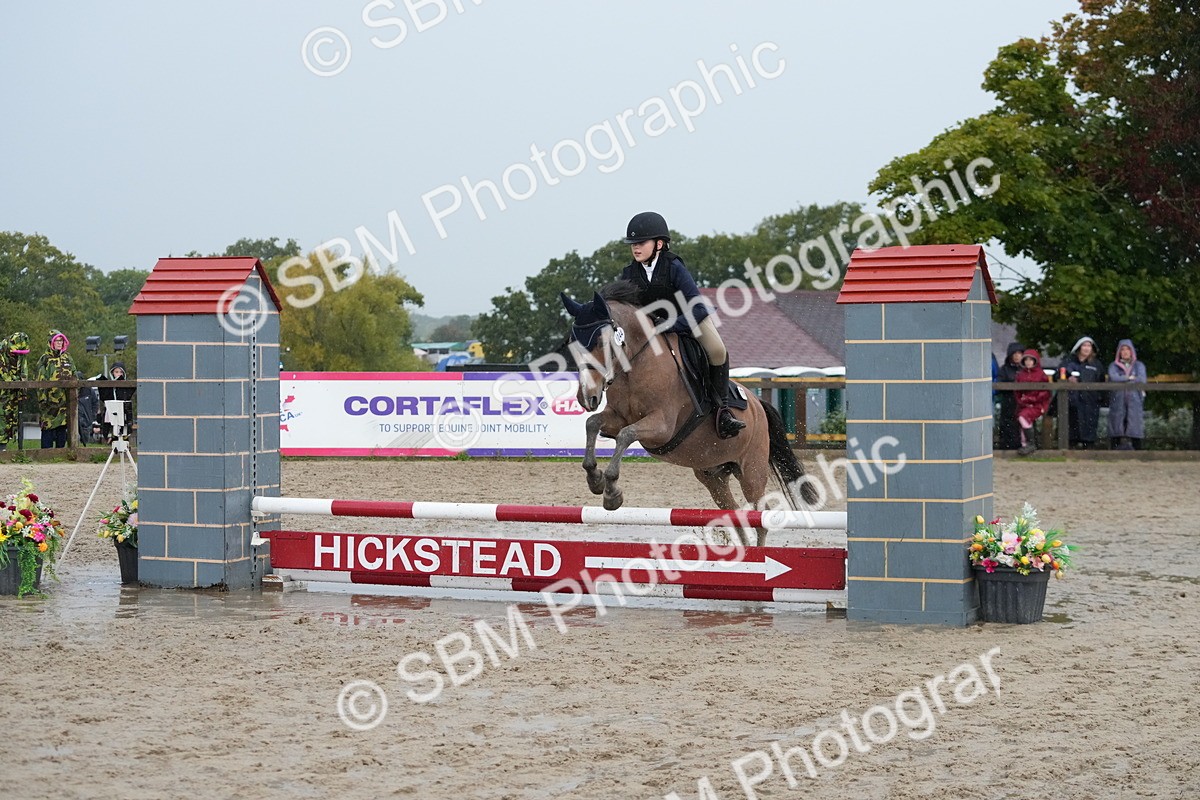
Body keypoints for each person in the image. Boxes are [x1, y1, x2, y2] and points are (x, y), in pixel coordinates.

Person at [618, 211, 745, 438]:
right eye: (632, 244)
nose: (635, 247)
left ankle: (722, 411)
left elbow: (696, 306)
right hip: (653, 328)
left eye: (640, 243)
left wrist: (671, 325)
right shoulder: (629, 273)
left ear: (659, 244)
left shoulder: (673, 266)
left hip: (689, 319)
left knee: (717, 350)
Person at [1061, 336, 1104, 449]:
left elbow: (1101, 382)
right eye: (1084, 345)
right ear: (1079, 347)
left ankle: (1088, 450)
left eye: (1089, 346)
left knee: (1089, 428)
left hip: (1090, 402)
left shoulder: (1096, 365)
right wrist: (1068, 378)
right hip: (1072, 401)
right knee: (1072, 428)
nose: (1086, 348)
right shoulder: (1068, 361)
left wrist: (1098, 398)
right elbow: (1058, 374)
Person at [35, 329, 75, 448]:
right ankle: (46, 456)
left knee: (62, 429)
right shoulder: (45, 359)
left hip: (65, 403)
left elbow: (74, 376)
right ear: (51, 342)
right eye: (56, 340)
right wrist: (43, 400)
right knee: (48, 429)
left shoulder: (68, 358)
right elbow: (39, 380)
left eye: (61, 340)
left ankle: (61, 455)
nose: (59, 343)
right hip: (49, 404)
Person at [1107, 338, 1146, 450]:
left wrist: (1123, 379)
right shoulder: (1113, 366)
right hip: (1118, 400)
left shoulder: (1139, 366)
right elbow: (1114, 378)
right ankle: (1114, 452)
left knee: (1134, 426)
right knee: (1116, 426)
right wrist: (1129, 378)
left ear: (1132, 351)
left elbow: (1141, 379)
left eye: (1127, 349)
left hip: (1134, 400)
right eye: (1122, 349)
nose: (1125, 352)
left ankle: (1137, 452)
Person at [1014, 348, 1051, 455]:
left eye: (1031, 360)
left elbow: (1045, 392)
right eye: (1026, 360)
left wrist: (1032, 399)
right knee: (1023, 421)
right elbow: (1017, 392)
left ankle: (1030, 444)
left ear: (1035, 361)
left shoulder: (1041, 374)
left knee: (1023, 417)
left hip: (1038, 405)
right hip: (1024, 405)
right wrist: (1022, 401)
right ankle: (1025, 446)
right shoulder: (1020, 375)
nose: (1028, 362)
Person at [1, 332, 31, 450]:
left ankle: (4, 447)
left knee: (10, 420)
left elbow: (24, 372)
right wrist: (12, 382)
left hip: (13, 395)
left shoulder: (21, 356)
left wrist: (23, 389)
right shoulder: (2, 352)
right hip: (3, 392)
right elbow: (3, 373)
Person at [995, 342, 1024, 450]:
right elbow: (999, 383)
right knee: (1007, 424)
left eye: (1019, 353)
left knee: (1022, 423)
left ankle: (1022, 446)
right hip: (1008, 402)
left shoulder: (1026, 369)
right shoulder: (1004, 369)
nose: (1017, 356)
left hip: (1022, 402)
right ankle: (1007, 447)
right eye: (1014, 353)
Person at [97, 361, 136, 442]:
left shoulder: (127, 385)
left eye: (121, 372)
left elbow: (128, 395)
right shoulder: (108, 385)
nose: (119, 374)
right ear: (112, 373)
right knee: (111, 427)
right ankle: (110, 439)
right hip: (111, 410)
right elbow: (104, 397)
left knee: (123, 431)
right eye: (116, 372)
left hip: (123, 410)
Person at [75, 370, 100, 445]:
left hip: (87, 420)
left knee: (86, 440)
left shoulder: (89, 390)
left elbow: (95, 402)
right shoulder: (71, 391)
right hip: (75, 419)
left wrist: (92, 415)